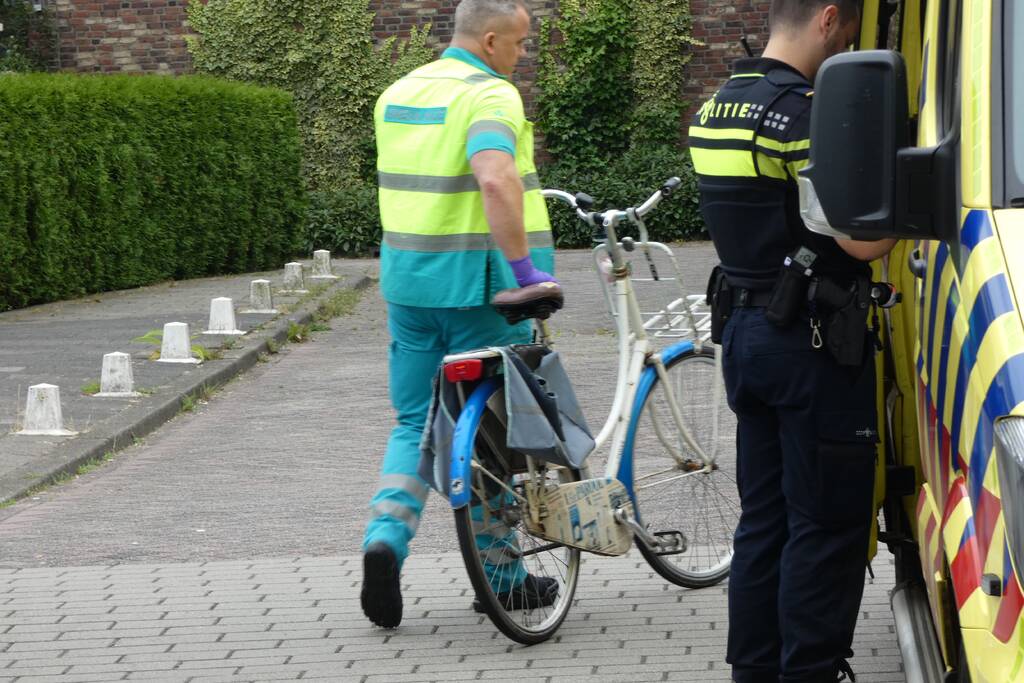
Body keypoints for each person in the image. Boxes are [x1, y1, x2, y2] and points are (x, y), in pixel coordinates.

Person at [688, 1, 898, 681]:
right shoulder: (804, 116)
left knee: (764, 520)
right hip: (811, 344)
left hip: (745, 337)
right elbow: (860, 241)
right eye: (852, 32)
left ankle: (754, 670)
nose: (851, 46)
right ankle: (809, 670)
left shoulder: (716, 106)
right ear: (828, 19)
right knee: (826, 521)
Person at [361, 0, 558, 630]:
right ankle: (502, 578)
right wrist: (527, 274)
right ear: (491, 40)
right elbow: (495, 178)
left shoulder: (398, 92)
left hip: (409, 288)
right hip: (481, 291)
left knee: (414, 421)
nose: (521, 56)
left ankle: (385, 539)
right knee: (492, 435)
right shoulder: (489, 95)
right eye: (520, 44)